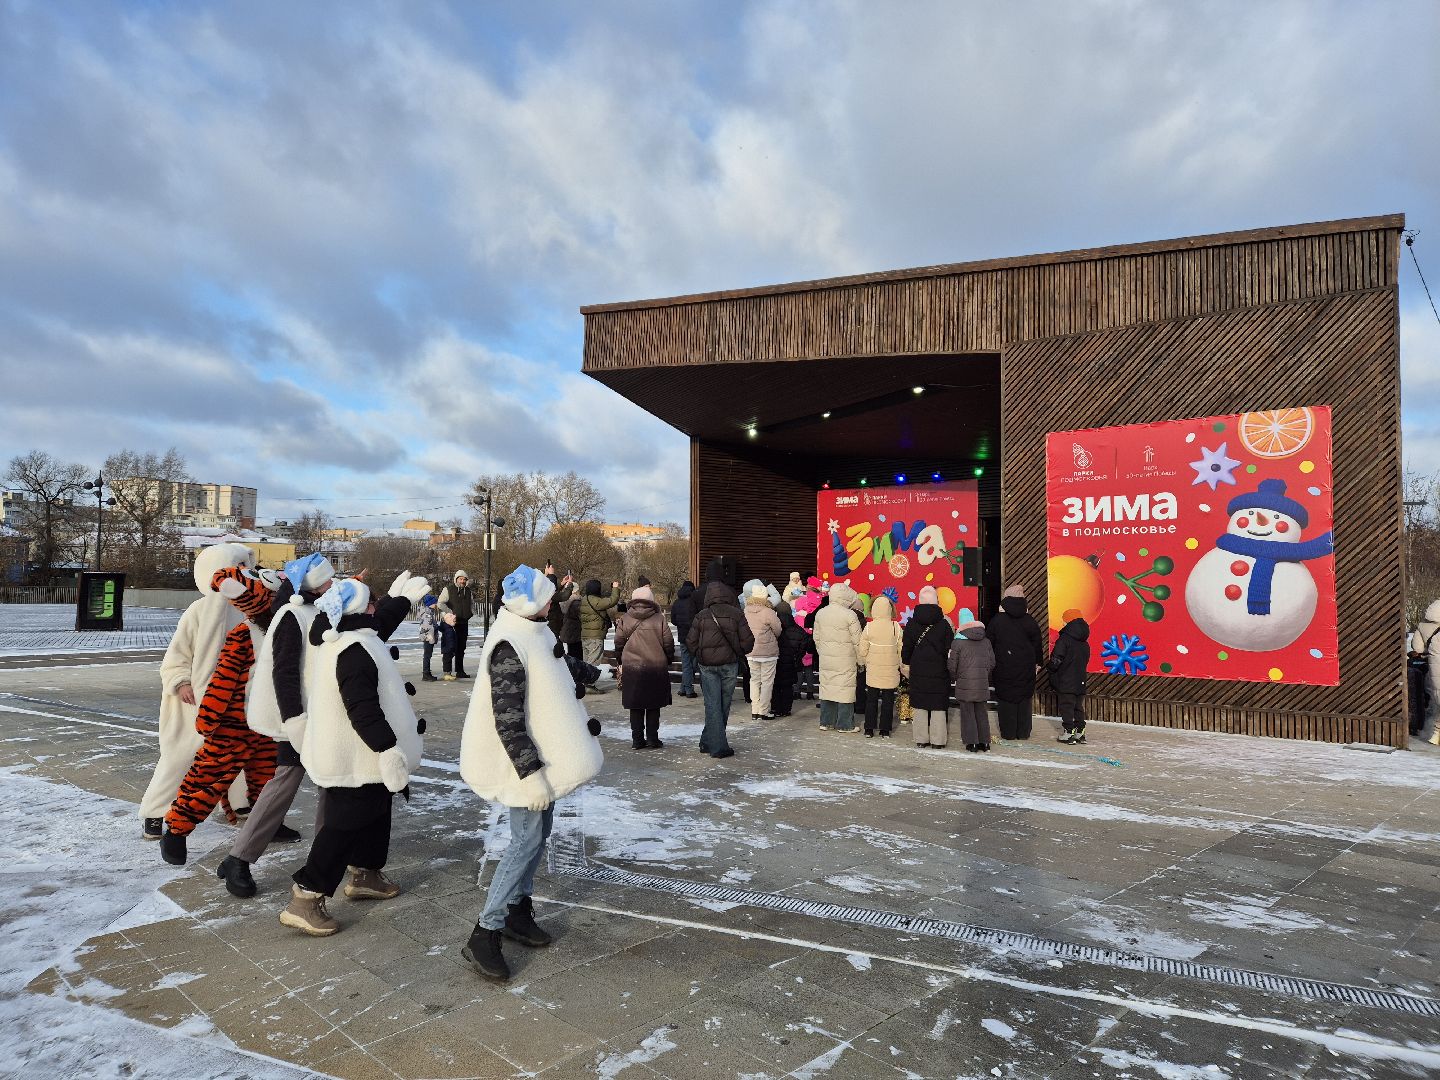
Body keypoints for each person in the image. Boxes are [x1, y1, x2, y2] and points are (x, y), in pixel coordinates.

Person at [221, 565, 428, 899]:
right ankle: (239, 859)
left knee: (337, 791)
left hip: (331, 714)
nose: (335, 584)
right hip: (302, 716)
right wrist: (295, 721)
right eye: (327, 580)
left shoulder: (326, 612)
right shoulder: (292, 615)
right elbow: (284, 672)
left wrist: (396, 599)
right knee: (285, 782)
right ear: (310, 586)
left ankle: (337, 864)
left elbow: (371, 628)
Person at [458, 565, 604, 982]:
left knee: (537, 835)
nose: (552, 603)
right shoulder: (509, 643)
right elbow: (507, 718)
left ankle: (518, 912)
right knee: (525, 841)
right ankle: (485, 931)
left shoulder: (534, 631)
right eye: (546, 598)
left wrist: (595, 673)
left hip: (539, 760)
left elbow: (554, 668)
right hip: (523, 765)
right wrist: (530, 775)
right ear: (532, 604)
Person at [281, 578, 423, 936]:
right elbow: (361, 709)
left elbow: (383, 620)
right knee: (344, 823)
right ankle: (306, 895)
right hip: (354, 753)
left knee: (376, 809)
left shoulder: (353, 635)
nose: (377, 609)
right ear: (361, 611)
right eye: (372, 604)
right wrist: (387, 749)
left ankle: (365, 873)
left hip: (362, 753)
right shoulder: (354, 649)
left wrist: (397, 599)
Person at [160, 563, 283, 865]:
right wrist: (209, 718)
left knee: (268, 779)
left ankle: (269, 824)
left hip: (267, 721)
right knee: (208, 778)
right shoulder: (242, 635)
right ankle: (176, 831)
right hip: (234, 724)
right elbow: (223, 679)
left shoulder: (279, 630)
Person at [139, 542, 256, 840]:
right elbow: (176, 656)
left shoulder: (250, 609)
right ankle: (156, 812)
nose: (244, 573)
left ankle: (240, 804)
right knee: (180, 756)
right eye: (238, 567)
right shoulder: (198, 611)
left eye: (245, 567)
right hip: (195, 700)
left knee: (238, 752)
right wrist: (181, 682)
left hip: (238, 696)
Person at [685, 577, 754, 758]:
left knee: (712, 704)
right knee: (723, 704)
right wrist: (737, 651)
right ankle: (718, 747)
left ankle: (709, 741)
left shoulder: (702, 615)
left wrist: (700, 655)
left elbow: (690, 642)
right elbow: (748, 642)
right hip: (729, 665)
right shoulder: (737, 614)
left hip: (707, 665)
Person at [614, 584, 675, 748]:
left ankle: (637, 740)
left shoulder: (625, 618)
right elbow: (668, 642)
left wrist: (620, 659)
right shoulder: (659, 619)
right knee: (653, 704)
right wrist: (668, 658)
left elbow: (618, 642)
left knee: (636, 704)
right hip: (655, 665)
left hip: (633, 666)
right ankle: (653, 739)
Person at [987, 584, 1044, 740]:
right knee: (1024, 699)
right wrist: (1038, 663)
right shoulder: (1030, 621)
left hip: (1003, 666)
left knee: (1005, 700)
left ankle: (1008, 733)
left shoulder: (997, 621)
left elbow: (989, 644)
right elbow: (1037, 645)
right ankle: (1023, 732)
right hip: (1026, 667)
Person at [902, 586, 955, 748]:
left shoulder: (911, 625)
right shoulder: (944, 625)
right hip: (939, 670)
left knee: (920, 704)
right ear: (936, 601)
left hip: (918, 670)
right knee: (938, 704)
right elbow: (950, 649)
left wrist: (907, 662)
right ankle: (938, 741)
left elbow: (906, 649)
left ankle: (921, 739)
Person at [813, 581, 864, 732]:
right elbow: (857, 642)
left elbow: (816, 638)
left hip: (827, 658)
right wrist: (861, 661)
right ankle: (845, 724)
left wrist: (822, 652)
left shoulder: (821, 613)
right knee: (845, 690)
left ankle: (826, 722)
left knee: (827, 688)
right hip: (846, 659)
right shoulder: (850, 615)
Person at [858, 594, 903, 738]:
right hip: (890, 670)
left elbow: (862, 650)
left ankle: (869, 729)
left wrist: (866, 662)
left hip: (873, 670)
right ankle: (885, 730)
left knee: (871, 700)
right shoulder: (896, 627)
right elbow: (901, 649)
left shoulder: (869, 627)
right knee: (888, 701)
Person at [949, 616, 996, 752]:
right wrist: (983, 674)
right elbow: (992, 662)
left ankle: (972, 743)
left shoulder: (957, 642)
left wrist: (956, 677)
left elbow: (952, 665)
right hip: (981, 683)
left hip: (964, 683)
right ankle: (985, 742)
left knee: (967, 713)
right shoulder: (986, 641)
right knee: (982, 712)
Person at [1048, 608, 1092, 744]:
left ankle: (1068, 733)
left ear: (1068, 621)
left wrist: (1050, 668)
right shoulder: (1085, 642)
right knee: (1078, 706)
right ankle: (1080, 732)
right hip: (1080, 680)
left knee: (1066, 706)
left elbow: (1057, 659)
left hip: (1066, 679)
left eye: (1063, 620)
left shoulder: (1064, 639)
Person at [743, 583, 782, 720]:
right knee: (766, 682)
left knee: (754, 681)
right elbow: (778, 630)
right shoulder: (768, 611)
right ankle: (764, 711)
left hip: (751, 651)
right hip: (768, 652)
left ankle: (754, 710)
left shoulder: (746, 610)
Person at [1408, 600, 1440, 740]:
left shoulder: (1422, 625)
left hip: (1433, 665)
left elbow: (1417, 648)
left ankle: (1432, 732)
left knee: (1434, 697)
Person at [437, 570, 477, 680]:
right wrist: (450, 612)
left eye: (464, 579)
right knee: (450, 647)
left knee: (461, 648)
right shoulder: (448, 589)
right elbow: (440, 603)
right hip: (451, 623)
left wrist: (471, 612)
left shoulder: (468, 591)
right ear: (456, 579)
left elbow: (472, 604)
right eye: (461, 579)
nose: (463, 581)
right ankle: (447, 672)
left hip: (464, 622)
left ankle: (460, 671)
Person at [772, 599, 808, 718]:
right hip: (792, 663)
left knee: (775, 686)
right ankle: (786, 709)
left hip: (775, 662)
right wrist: (797, 658)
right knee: (788, 687)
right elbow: (804, 645)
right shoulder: (798, 630)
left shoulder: (774, 628)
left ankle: (776, 708)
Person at [578, 578, 621, 674]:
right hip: (595, 637)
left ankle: (585, 684)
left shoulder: (584, 600)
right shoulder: (596, 601)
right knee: (593, 662)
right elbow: (612, 600)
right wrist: (615, 588)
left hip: (585, 635)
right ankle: (589, 685)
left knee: (587, 661)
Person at [669, 580, 699, 698]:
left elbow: (673, 620)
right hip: (694, 637)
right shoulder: (694, 602)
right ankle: (689, 690)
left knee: (686, 664)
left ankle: (683, 688)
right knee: (693, 663)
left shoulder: (676, 602)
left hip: (682, 637)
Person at [544, 565, 574, 642]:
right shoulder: (549, 594)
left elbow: (553, 590)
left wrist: (562, 584)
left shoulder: (542, 591)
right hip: (553, 621)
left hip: (548, 621)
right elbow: (564, 596)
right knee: (554, 642)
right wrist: (570, 584)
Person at [418, 593, 439, 681]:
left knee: (428, 655)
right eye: (435, 603)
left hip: (428, 637)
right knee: (427, 655)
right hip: (428, 638)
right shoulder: (427, 613)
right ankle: (426, 674)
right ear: (430, 603)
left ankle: (427, 672)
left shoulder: (429, 612)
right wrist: (431, 638)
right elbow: (427, 627)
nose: (436, 604)